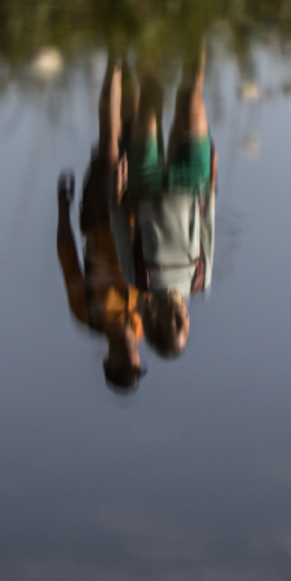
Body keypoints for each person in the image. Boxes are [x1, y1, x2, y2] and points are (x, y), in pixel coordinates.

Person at [109, 42, 216, 362]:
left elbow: (119, 225)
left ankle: (148, 28)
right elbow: (208, 225)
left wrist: (116, 190)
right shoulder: (201, 280)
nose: (181, 320)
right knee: (192, 93)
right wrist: (212, 182)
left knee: (150, 96)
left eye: (174, 327)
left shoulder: (137, 277)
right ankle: (195, 25)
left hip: (144, 183)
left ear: (156, 322)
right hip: (192, 182)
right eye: (184, 327)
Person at [54, 59, 145, 393]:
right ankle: (134, 53)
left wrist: (62, 209)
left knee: (109, 145)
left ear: (107, 362)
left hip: (97, 219)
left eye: (123, 364)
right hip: (137, 214)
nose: (130, 357)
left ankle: (115, 57)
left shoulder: (87, 315)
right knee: (134, 132)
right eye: (135, 364)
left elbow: (68, 259)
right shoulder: (144, 322)